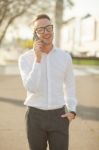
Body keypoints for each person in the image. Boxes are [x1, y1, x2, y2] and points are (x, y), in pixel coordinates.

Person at [18, 14, 77, 150]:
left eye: (48, 27)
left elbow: (70, 85)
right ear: (35, 34)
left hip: (59, 116)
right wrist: (37, 60)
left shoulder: (65, 57)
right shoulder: (25, 59)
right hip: (35, 116)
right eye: (41, 29)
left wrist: (72, 110)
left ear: (53, 29)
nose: (46, 32)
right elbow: (31, 87)